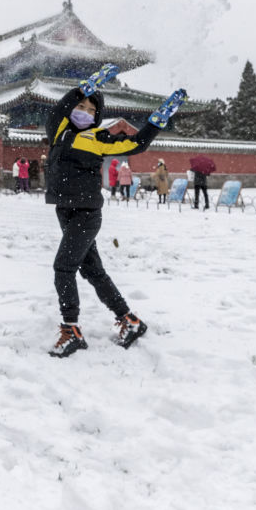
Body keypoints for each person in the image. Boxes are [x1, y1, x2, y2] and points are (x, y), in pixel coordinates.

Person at [44, 63, 187, 357]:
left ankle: (70, 329)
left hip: (86, 214)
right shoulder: (58, 131)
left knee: (63, 268)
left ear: (97, 116)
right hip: (66, 211)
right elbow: (62, 106)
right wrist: (86, 87)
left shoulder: (98, 140)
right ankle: (129, 320)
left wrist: (157, 121)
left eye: (90, 108)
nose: (83, 110)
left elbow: (136, 143)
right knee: (92, 271)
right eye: (80, 106)